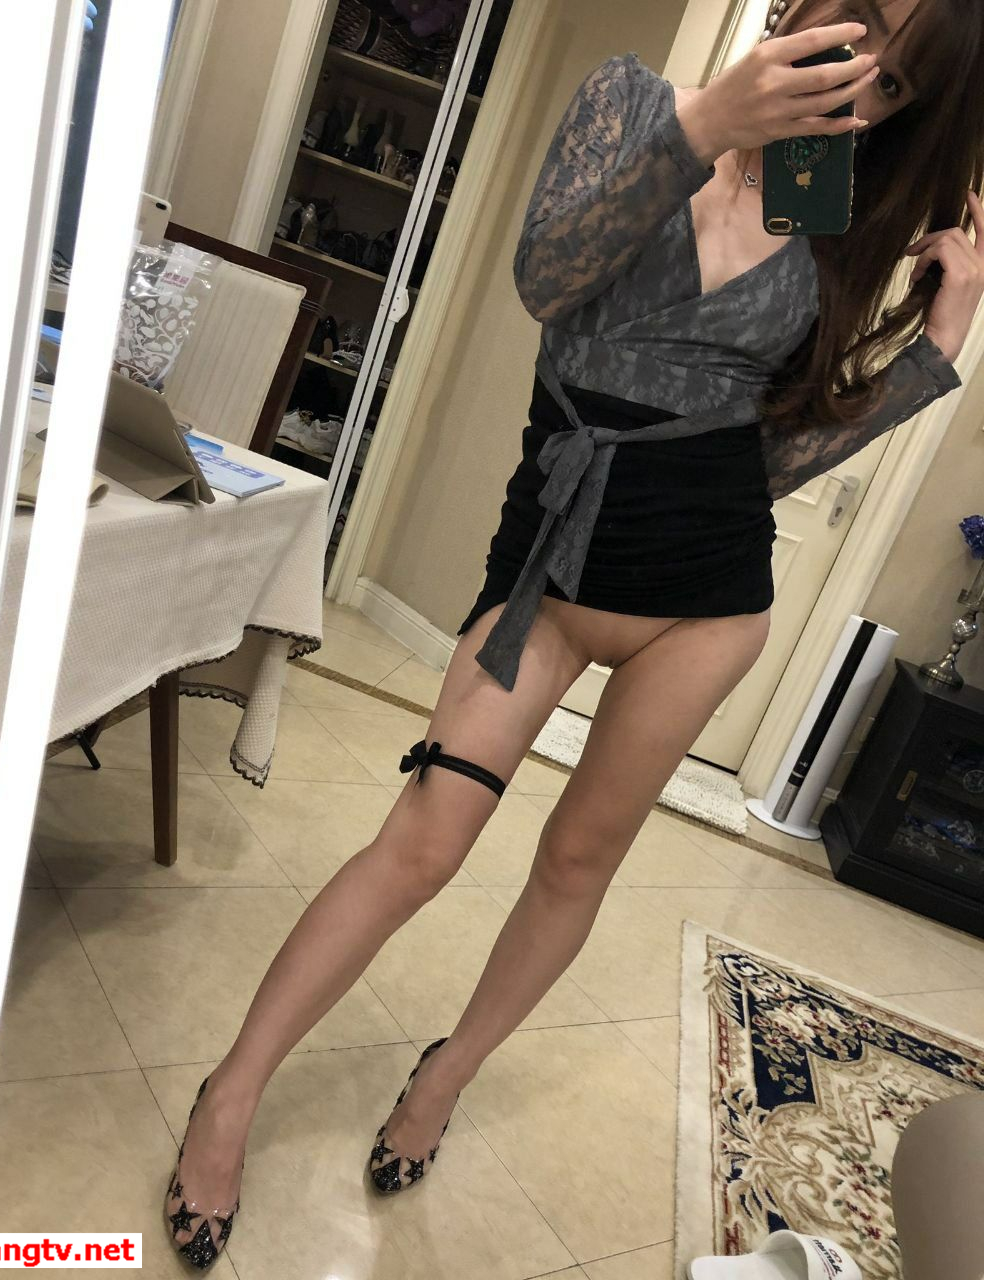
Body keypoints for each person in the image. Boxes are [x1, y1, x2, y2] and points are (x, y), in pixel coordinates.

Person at [163, 1, 983, 1267]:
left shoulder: (822, 200)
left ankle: (446, 1076)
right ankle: (232, 1091)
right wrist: (710, 123)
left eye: (896, 84)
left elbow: (769, 456)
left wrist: (937, 344)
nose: (860, 80)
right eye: (856, 31)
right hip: (548, 567)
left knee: (578, 861)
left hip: (705, 595)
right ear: (798, 9)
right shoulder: (634, 104)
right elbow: (546, 278)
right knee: (423, 840)